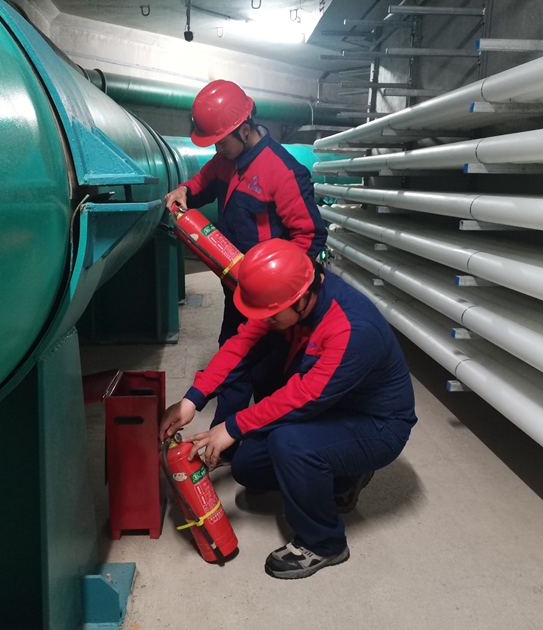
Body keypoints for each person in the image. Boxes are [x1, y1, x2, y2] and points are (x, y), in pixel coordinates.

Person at [159, 238, 417, 580]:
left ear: (302, 299)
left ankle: (324, 542)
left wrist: (232, 427)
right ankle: (343, 477)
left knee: (290, 444)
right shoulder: (288, 297)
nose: (264, 320)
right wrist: (192, 399)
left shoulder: (352, 329)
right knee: (247, 466)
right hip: (335, 408)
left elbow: (303, 398)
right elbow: (241, 346)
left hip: (377, 426)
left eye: (270, 315)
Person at [165, 80, 327, 441]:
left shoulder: (282, 171)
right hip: (236, 284)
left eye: (221, 142)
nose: (217, 150)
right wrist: (185, 190)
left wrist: (280, 288)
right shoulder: (228, 159)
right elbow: (206, 179)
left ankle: (254, 444)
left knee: (263, 370)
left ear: (244, 129)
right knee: (235, 358)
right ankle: (230, 444)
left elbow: (310, 236)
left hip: (272, 296)